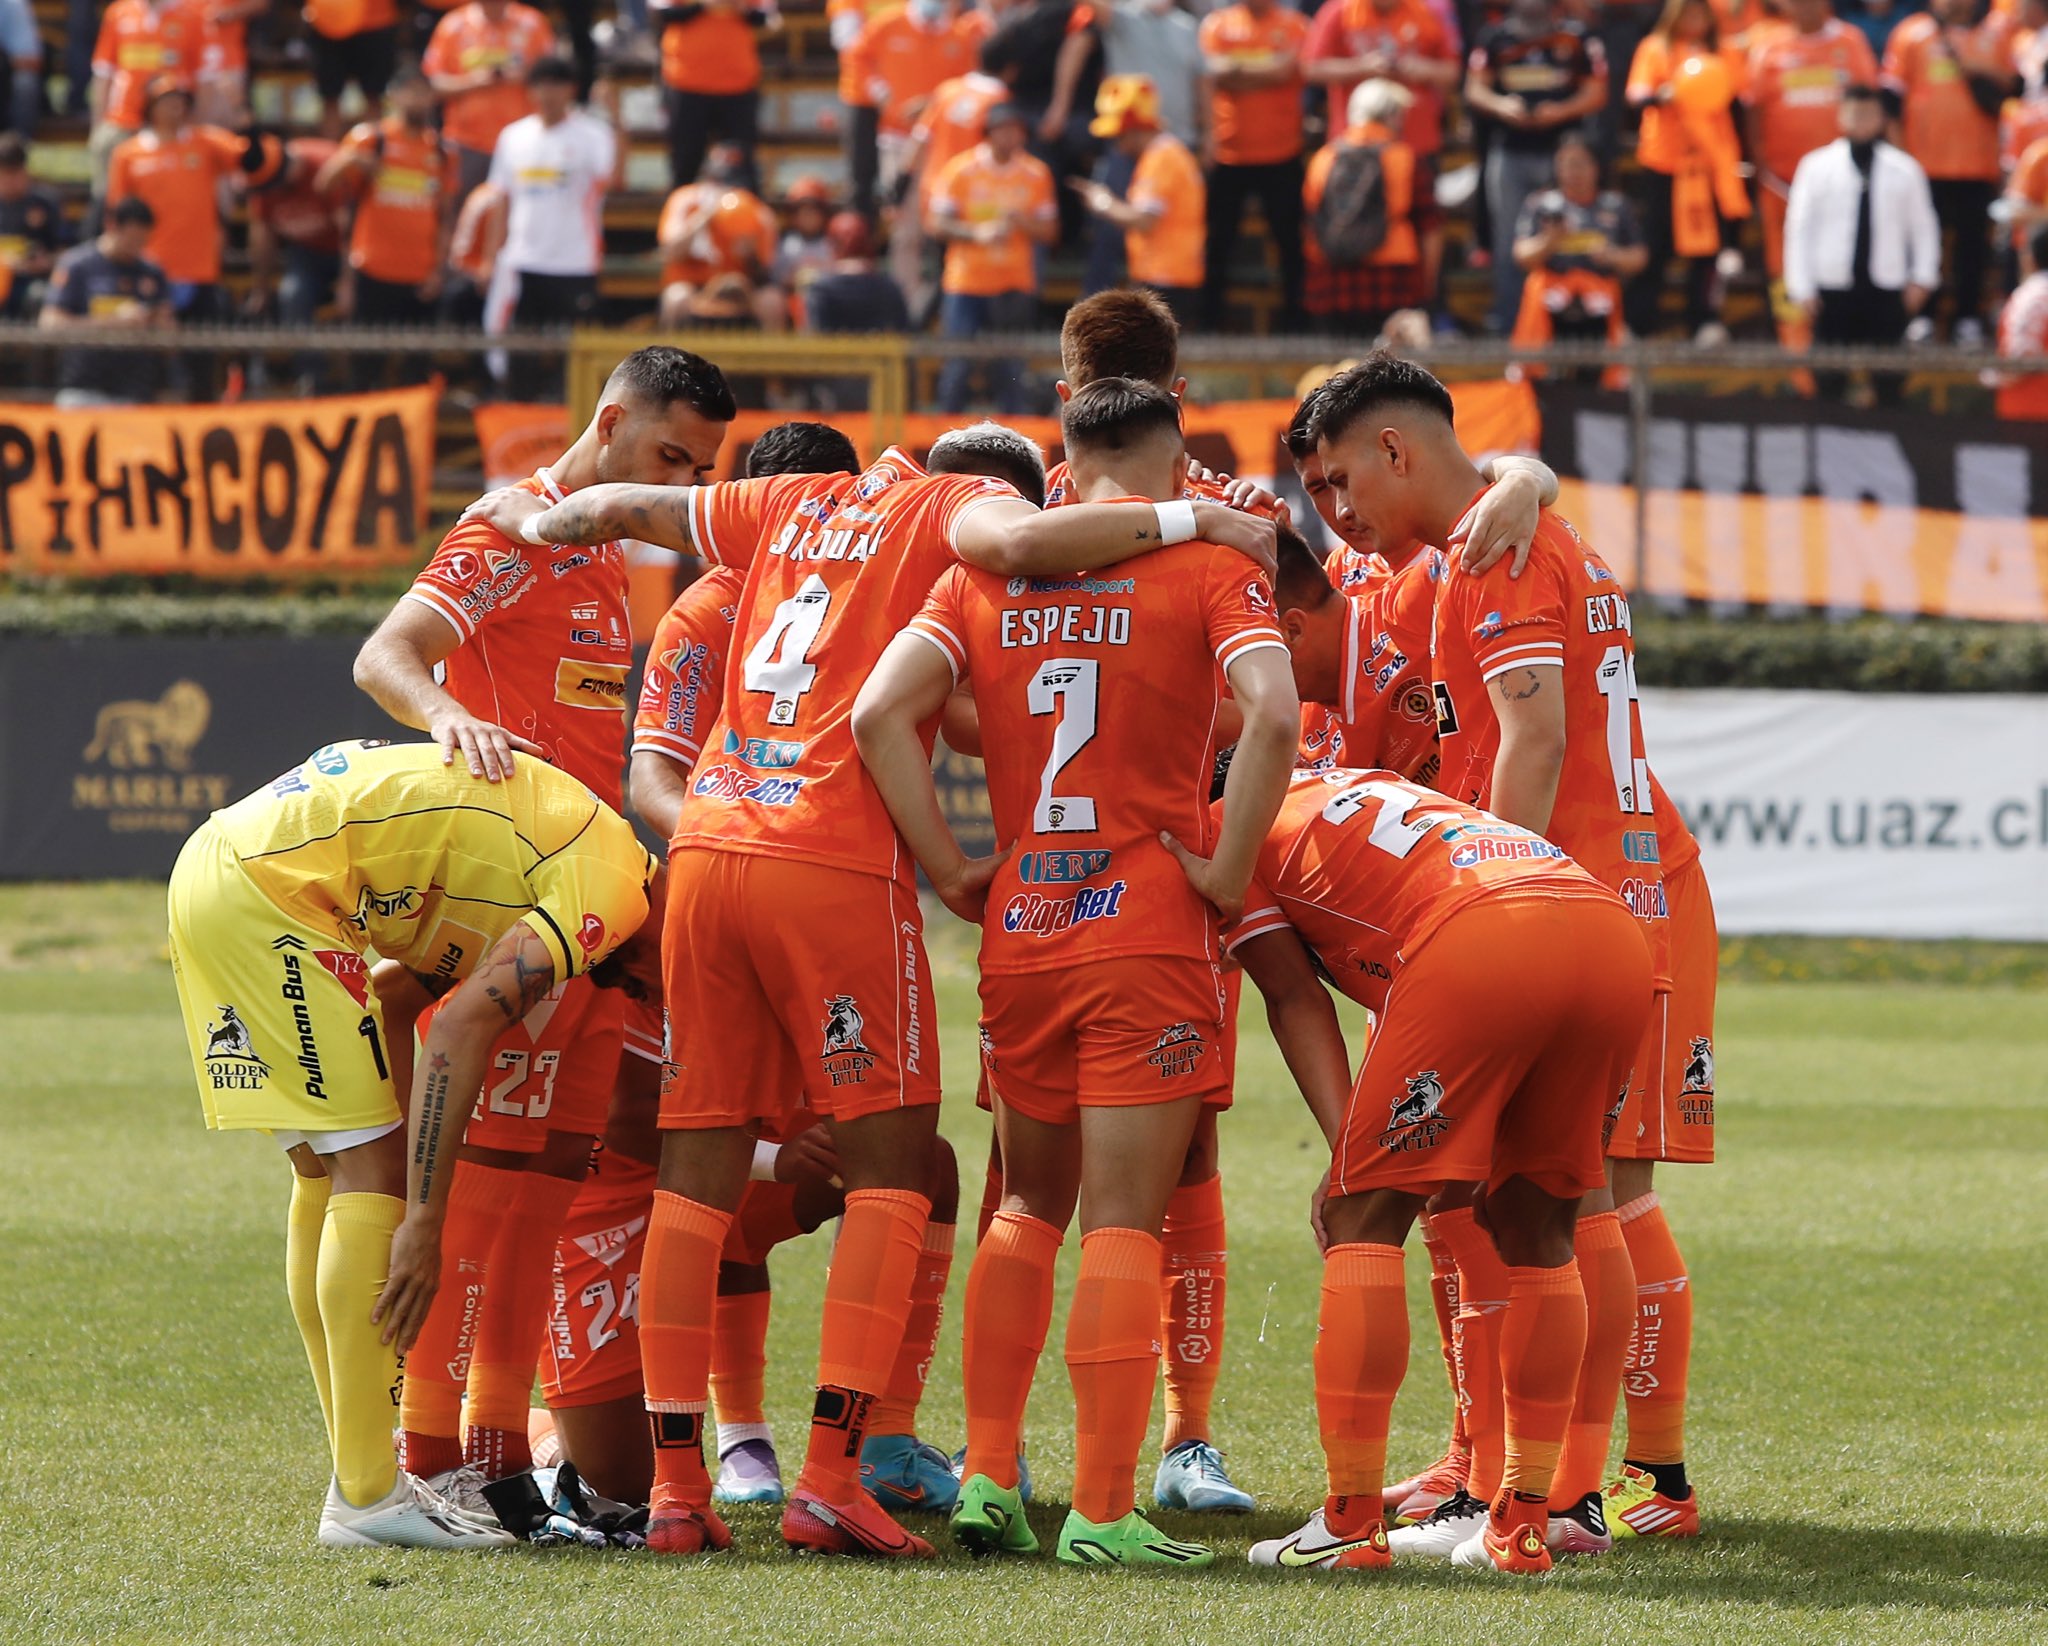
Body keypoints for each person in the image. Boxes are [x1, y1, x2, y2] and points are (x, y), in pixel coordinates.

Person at [461, 413, 1281, 1563]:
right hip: (841, 868)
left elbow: (626, 512)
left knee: (695, 1166)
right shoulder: (954, 515)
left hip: (705, 855)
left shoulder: (789, 503)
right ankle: (840, 1472)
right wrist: (1206, 518)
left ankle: (680, 1489)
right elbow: (1005, 560)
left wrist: (537, 510)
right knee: (904, 1169)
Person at [851, 378, 1300, 1570]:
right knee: (1121, 1222)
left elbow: (876, 715)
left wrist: (954, 871)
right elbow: (1274, 714)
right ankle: (1104, 1507)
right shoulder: (1208, 566)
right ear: (1173, 460)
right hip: (1144, 923)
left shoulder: (980, 576)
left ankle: (990, 1474)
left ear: (1067, 462)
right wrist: (1225, 867)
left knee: (1022, 1204)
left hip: (1024, 926)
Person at [351, 346, 734, 1531]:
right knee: (478, 1202)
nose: (680, 479)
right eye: (669, 454)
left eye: (701, 465)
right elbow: (385, 653)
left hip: (583, 896)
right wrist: (449, 713)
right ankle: (428, 1459)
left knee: (547, 1185)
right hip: (502, 901)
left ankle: (502, 1459)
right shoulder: (512, 526)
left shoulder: (604, 549)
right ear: (607, 422)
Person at [1309, 352, 1670, 1563]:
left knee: (1561, 1201)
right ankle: (1525, 1481)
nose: (1336, 511)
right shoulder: (1496, 528)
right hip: (1582, 898)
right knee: (1545, 1199)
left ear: (1395, 448)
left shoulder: (1494, 547)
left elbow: (1529, 730)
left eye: (1341, 477)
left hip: (1548, 900)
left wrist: (1487, 891)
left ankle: (1567, 1483)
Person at [164, 737, 665, 1550]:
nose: (654, 1003)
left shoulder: (576, 874)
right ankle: (366, 1498)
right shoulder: (611, 892)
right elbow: (461, 1028)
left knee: (327, 1175)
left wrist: (396, 1161)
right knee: (368, 1174)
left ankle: (364, 1479)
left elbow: (400, 1001)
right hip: (272, 893)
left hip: (229, 870)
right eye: (675, 990)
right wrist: (421, 1218)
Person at [1218, 766, 1651, 1575]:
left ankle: (1349, 1522)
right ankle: (1523, 1524)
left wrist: (1346, 1150)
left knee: (1360, 1217)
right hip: (1605, 926)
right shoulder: (1351, 777)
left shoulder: (1226, 819)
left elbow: (1294, 997)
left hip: (1483, 934)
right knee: (1539, 1228)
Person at [1783, 82, 1939, 404]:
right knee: (1827, 378)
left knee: (1890, 379)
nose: (1860, 121)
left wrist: (1922, 279)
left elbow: (1923, 228)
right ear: (1841, 116)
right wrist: (1802, 287)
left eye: (1868, 113)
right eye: (1853, 113)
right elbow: (1799, 229)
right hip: (1833, 288)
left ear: (1882, 118)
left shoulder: (1905, 169)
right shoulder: (1816, 166)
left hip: (1886, 287)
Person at [1302, 0, 1459, 310]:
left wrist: (1420, 68)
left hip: (1416, 148)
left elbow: (1452, 71)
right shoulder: (1339, 12)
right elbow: (1310, 66)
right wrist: (1363, 67)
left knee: (1419, 227)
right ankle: (1421, 306)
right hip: (1349, 151)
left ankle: (1428, 307)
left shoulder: (1424, 13)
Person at [1465, 0, 1608, 334]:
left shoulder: (1575, 37)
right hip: (1509, 152)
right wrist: (1502, 105)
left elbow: (1597, 92)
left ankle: (1563, 327)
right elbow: (1474, 88)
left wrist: (1560, 110)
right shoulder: (1494, 36)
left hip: (1562, 157)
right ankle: (1512, 327)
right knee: (1509, 245)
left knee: (1566, 240)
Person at [1742, 0, 1878, 347]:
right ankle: (1795, 348)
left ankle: (1844, 341)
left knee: (1840, 254)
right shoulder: (1767, 46)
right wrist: (1760, 165)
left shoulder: (1850, 41)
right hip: (1779, 179)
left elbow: (1869, 99)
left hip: (1840, 180)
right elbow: (1753, 109)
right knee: (1782, 265)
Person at [1882, 0, 2019, 342]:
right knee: (1924, 245)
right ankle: (1923, 316)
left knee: (1972, 248)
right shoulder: (1911, 33)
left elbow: (2018, 87)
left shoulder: (1999, 32)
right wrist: (1900, 157)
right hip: (1924, 164)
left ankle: (1968, 317)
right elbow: (1891, 100)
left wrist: (1977, 68)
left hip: (1979, 163)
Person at [483, 57, 619, 395]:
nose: (548, 93)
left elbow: (616, 179)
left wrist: (617, 118)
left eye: (556, 84)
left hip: (574, 262)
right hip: (523, 261)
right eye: (541, 84)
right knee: (519, 356)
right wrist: (490, 257)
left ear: (571, 89)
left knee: (572, 361)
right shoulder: (513, 136)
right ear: (531, 90)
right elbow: (500, 200)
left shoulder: (593, 134)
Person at [1624, 0, 1749, 342]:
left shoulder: (1724, 51)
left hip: (1709, 163)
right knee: (1656, 245)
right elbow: (1636, 94)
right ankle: (1638, 323)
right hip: (1664, 162)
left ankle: (1704, 320)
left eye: (1701, 12)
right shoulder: (1654, 48)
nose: (1695, 19)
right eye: (1688, 11)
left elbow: (1736, 96)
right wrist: (1661, 96)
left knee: (1707, 249)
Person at [929, 102, 1057, 412]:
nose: (1009, 137)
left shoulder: (1035, 173)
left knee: (1011, 368)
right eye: (1003, 129)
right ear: (988, 133)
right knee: (957, 363)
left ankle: (1018, 444)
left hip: (1012, 282)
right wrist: (976, 233)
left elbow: (1050, 230)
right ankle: (943, 439)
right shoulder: (961, 170)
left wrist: (1021, 222)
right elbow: (935, 223)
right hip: (966, 281)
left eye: (1015, 130)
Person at [1198, 0, 1311, 330]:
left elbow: (1286, 69)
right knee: (1218, 242)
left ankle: (1295, 322)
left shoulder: (1295, 24)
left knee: (1290, 242)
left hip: (1282, 152)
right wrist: (1267, 71)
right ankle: (1210, 321)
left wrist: (1236, 71)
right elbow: (1210, 71)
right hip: (1228, 152)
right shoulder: (1217, 24)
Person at [317, 64, 456, 331]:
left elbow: (445, 217)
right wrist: (352, 159)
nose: (417, 99)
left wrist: (438, 271)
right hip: (371, 269)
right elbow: (324, 187)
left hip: (420, 274)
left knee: (418, 367)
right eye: (410, 91)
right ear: (394, 96)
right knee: (367, 361)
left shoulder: (441, 152)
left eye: (423, 92)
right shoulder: (370, 139)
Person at [1071, 75, 1205, 323]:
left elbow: (1144, 220)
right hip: (1166, 274)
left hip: (1167, 278)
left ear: (1134, 129)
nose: (1118, 145)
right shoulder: (1165, 155)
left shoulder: (1162, 159)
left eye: (1119, 136)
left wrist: (1103, 202)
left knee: (1160, 359)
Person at [1303, 78, 1428, 337]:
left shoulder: (1323, 158)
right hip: (1392, 280)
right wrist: (1428, 286)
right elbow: (1430, 226)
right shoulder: (1405, 158)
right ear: (1393, 115)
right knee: (1388, 372)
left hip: (1332, 281)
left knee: (1336, 372)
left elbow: (1310, 218)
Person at [1509, 132, 1647, 360]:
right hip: (1552, 292)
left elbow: (1640, 256)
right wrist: (1549, 241)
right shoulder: (1542, 205)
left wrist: (1612, 256)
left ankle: (1611, 377)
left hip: (1600, 292)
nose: (1573, 172)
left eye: (1580, 164)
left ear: (1596, 167)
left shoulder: (1615, 205)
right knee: (1536, 285)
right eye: (1566, 165)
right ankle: (1530, 368)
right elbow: (1521, 255)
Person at [845, 0, 982, 206]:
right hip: (893, 131)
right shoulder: (888, 23)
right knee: (892, 198)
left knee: (933, 199)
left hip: (934, 138)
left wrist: (932, 103)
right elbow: (856, 56)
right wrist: (877, 90)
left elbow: (964, 85)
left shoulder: (958, 36)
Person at [38, 195, 171, 407]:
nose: (137, 248)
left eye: (142, 241)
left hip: (135, 393)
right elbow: (50, 324)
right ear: (112, 227)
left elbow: (169, 332)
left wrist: (150, 321)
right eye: (132, 240)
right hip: (82, 390)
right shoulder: (77, 266)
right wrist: (114, 321)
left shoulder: (151, 272)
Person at [425, 0, 557, 201]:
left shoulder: (533, 23)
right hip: (465, 142)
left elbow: (555, 78)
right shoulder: (453, 25)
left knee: (519, 211)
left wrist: (526, 75)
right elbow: (433, 84)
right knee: (460, 210)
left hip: (522, 142)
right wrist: (473, 82)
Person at [1048, 0, 1205, 152]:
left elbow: (1202, 80)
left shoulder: (1187, 26)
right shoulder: (1124, 17)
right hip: (1129, 141)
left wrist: (1208, 134)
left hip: (1180, 138)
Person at [88, 0, 205, 196]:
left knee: (167, 199)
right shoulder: (118, 13)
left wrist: (192, 128)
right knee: (110, 199)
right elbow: (103, 74)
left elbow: (202, 80)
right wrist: (98, 126)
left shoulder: (191, 17)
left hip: (170, 130)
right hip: (122, 122)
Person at [656, 151, 782, 329]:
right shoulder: (684, 200)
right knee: (677, 297)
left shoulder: (757, 210)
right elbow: (671, 252)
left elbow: (765, 273)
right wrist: (703, 218)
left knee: (771, 300)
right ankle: (670, 357)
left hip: (740, 288)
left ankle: (772, 356)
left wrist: (750, 257)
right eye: (716, 179)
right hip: (696, 285)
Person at [653, 0, 770, 189]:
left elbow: (763, 17)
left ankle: (740, 218)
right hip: (686, 84)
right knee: (684, 169)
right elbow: (663, 13)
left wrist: (735, 6)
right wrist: (706, 5)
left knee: (740, 171)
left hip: (737, 86)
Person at [804, 209, 913, 334]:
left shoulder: (820, 290)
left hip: (835, 353)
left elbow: (815, 335)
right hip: (879, 353)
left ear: (833, 244)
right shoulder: (890, 287)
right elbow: (905, 333)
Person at [304, 0, 400, 140]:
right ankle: (331, 155)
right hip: (328, 22)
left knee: (374, 95)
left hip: (376, 24)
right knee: (330, 97)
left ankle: (373, 150)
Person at [0, 134, 65, 320]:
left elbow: (66, 252)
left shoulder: (45, 203)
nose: (10, 181)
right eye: (5, 173)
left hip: (33, 279)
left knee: (39, 294)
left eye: (16, 172)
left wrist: (45, 262)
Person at [1995, 220, 2048, 417]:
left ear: (2030, 257)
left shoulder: (2033, 296)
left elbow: (2021, 359)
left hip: (2029, 414)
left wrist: (1989, 375)